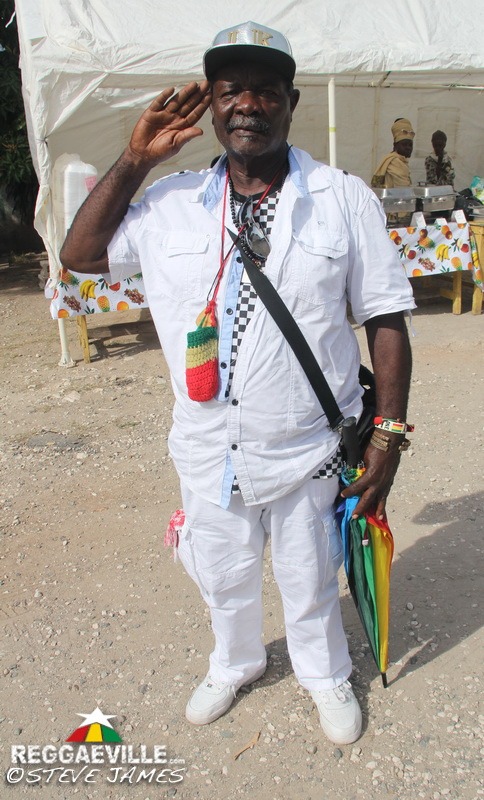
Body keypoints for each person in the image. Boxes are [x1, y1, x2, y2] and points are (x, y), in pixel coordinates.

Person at [60, 21, 415, 746]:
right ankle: (237, 661)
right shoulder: (169, 203)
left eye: (264, 90)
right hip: (207, 448)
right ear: (210, 107)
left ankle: (322, 672)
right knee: (221, 573)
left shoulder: (341, 197)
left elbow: (386, 319)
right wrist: (133, 158)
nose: (246, 104)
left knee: (309, 571)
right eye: (229, 91)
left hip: (307, 447)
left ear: (291, 101)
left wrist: (389, 435)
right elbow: (82, 254)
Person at [371, 118, 415, 189]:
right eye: (404, 144)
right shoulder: (395, 162)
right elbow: (404, 190)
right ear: (395, 145)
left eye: (410, 145)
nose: (408, 148)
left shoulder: (400, 160)